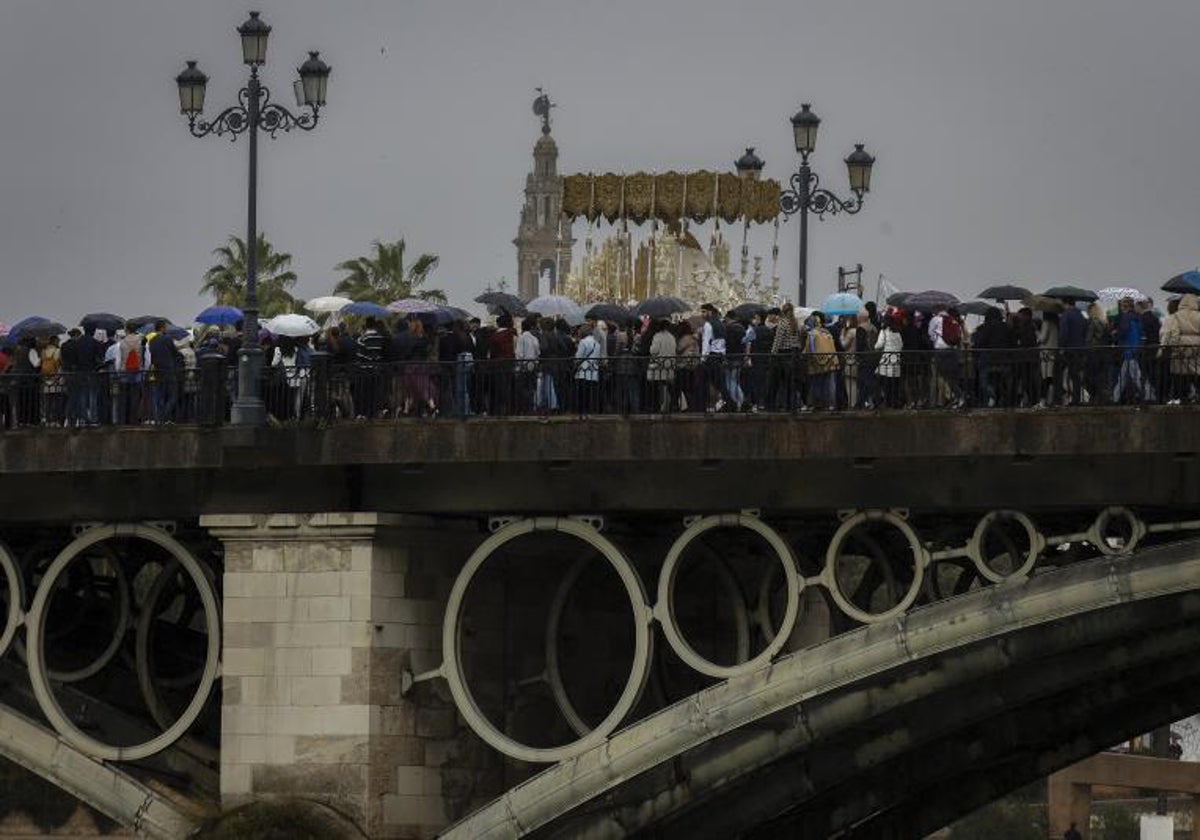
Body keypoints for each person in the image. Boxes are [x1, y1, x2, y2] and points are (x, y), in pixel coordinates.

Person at [1161, 293, 1200, 404]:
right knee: (1197, 377)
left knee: (1181, 379)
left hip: (1180, 353)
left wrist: (1175, 350)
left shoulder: (1175, 317)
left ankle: (1183, 400)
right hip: (1197, 352)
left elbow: (1172, 336)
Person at [147, 320, 183, 424]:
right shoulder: (167, 339)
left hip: (158, 370)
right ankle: (164, 415)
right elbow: (174, 353)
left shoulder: (152, 341)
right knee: (173, 395)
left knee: (160, 396)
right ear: (162, 328)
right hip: (169, 370)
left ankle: (160, 417)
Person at [700, 303, 733, 411]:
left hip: (711, 356)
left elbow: (706, 342)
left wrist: (703, 358)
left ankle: (726, 403)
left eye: (704, 312)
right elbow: (723, 342)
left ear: (710, 312)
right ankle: (727, 403)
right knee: (719, 382)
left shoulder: (708, 325)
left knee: (711, 383)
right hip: (719, 356)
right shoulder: (720, 323)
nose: (702, 314)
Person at [804, 312, 839, 410]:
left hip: (816, 363)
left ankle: (817, 405)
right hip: (830, 361)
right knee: (827, 384)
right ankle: (829, 404)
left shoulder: (811, 334)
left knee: (816, 383)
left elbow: (809, 349)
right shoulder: (827, 332)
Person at [769, 303, 802, 410]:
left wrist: (773, 353)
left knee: (783, 381)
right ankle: (794, 404)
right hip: (795, 353)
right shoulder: (795, 322)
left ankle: (784, 404)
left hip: (784, 354)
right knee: (792, 381)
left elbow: (778, 340)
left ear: (783, 311)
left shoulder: (783, 323)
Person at [874, 313, 904, 408]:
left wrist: (874, 347)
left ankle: (885, 402)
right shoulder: (897, 332)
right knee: (894, 384)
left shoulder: (884, 332)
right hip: (896, 361)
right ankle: (894, 402)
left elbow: (879, 345)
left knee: (883, 382)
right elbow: (901, 346)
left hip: (886, 360)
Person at [647, 319, 676, 413]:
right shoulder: (672, 337)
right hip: (669, 365)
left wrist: (650, 348)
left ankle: (658, 407)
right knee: (667, 387)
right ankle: (668, 406)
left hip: (658, 366)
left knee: (657, 388)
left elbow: (654, 350)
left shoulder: (657, 336)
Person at [573, 324, 601, 414]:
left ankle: (581, 411)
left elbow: (578, 357)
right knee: (591, 393)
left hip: (583, 371)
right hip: (593, 370)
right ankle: (591, 411)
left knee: (582, 393)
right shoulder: (597, 343)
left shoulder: (583, 342)